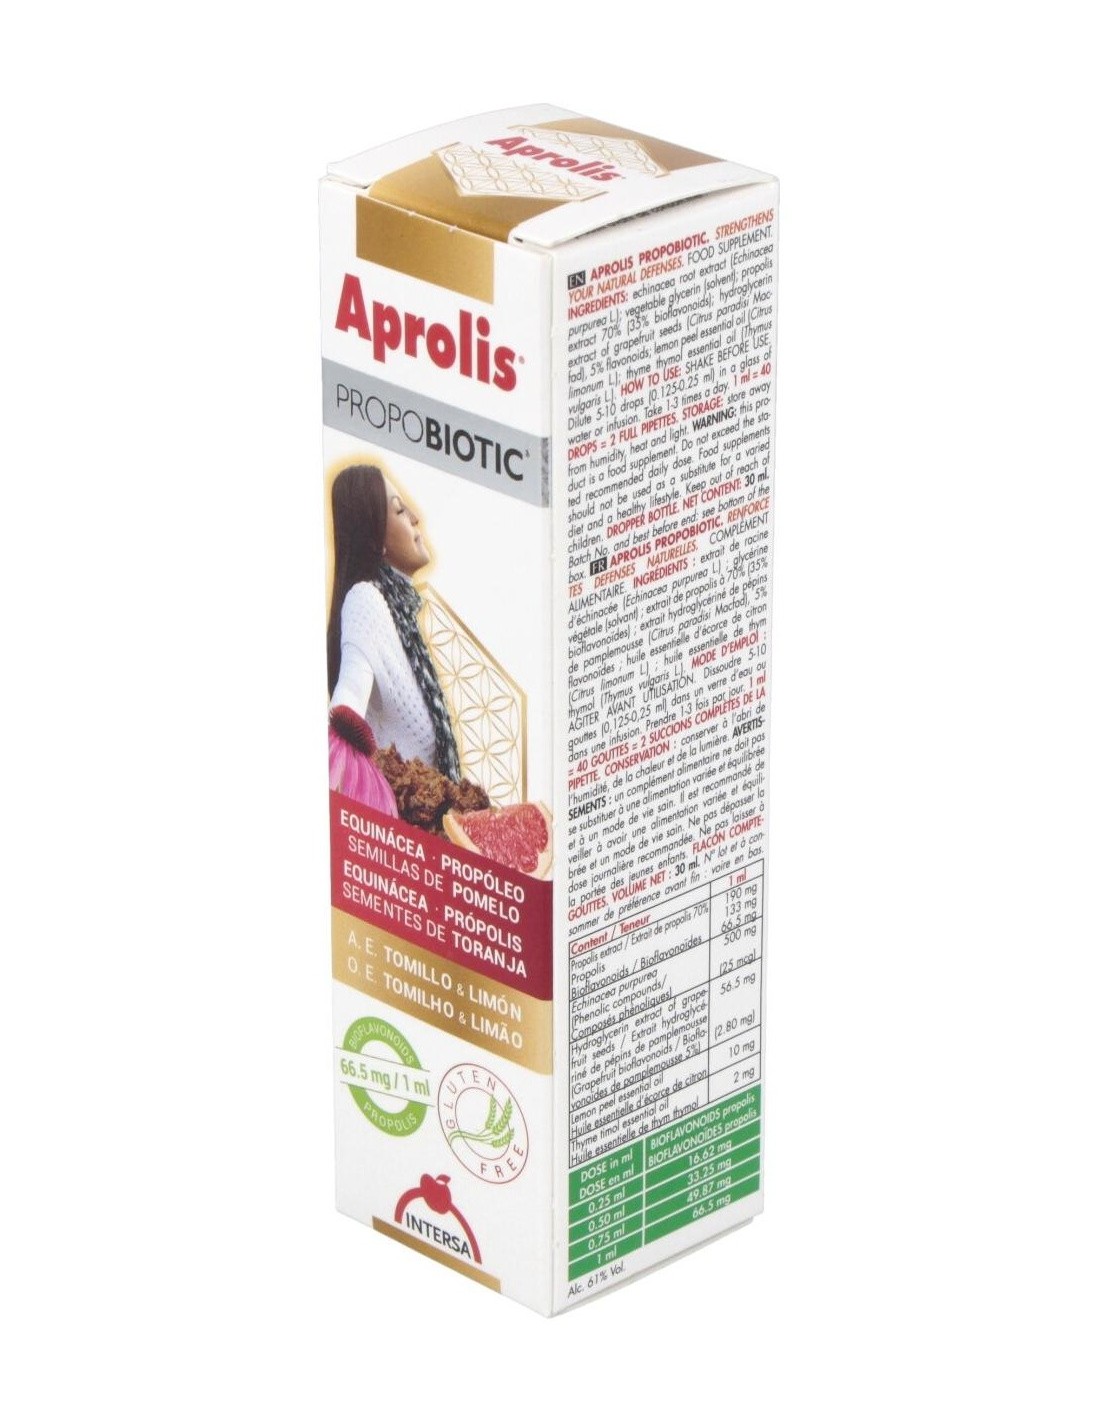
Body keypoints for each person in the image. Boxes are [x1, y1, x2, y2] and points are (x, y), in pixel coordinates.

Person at [327, 464, 461, 780]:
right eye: (400, 510)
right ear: (375, 539)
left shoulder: (400, 618)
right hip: (389, 811)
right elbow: (348, 701)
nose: (415, 517)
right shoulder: (365, 599)